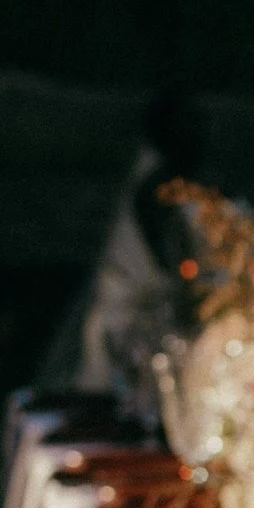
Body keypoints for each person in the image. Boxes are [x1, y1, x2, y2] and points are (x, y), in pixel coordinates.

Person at [68, 92, 205, 412]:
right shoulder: (157, 185)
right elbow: (179, 266)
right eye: (191, 125)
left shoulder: (161, 177)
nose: (201, 135)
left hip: (140, 318)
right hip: (131, 324)